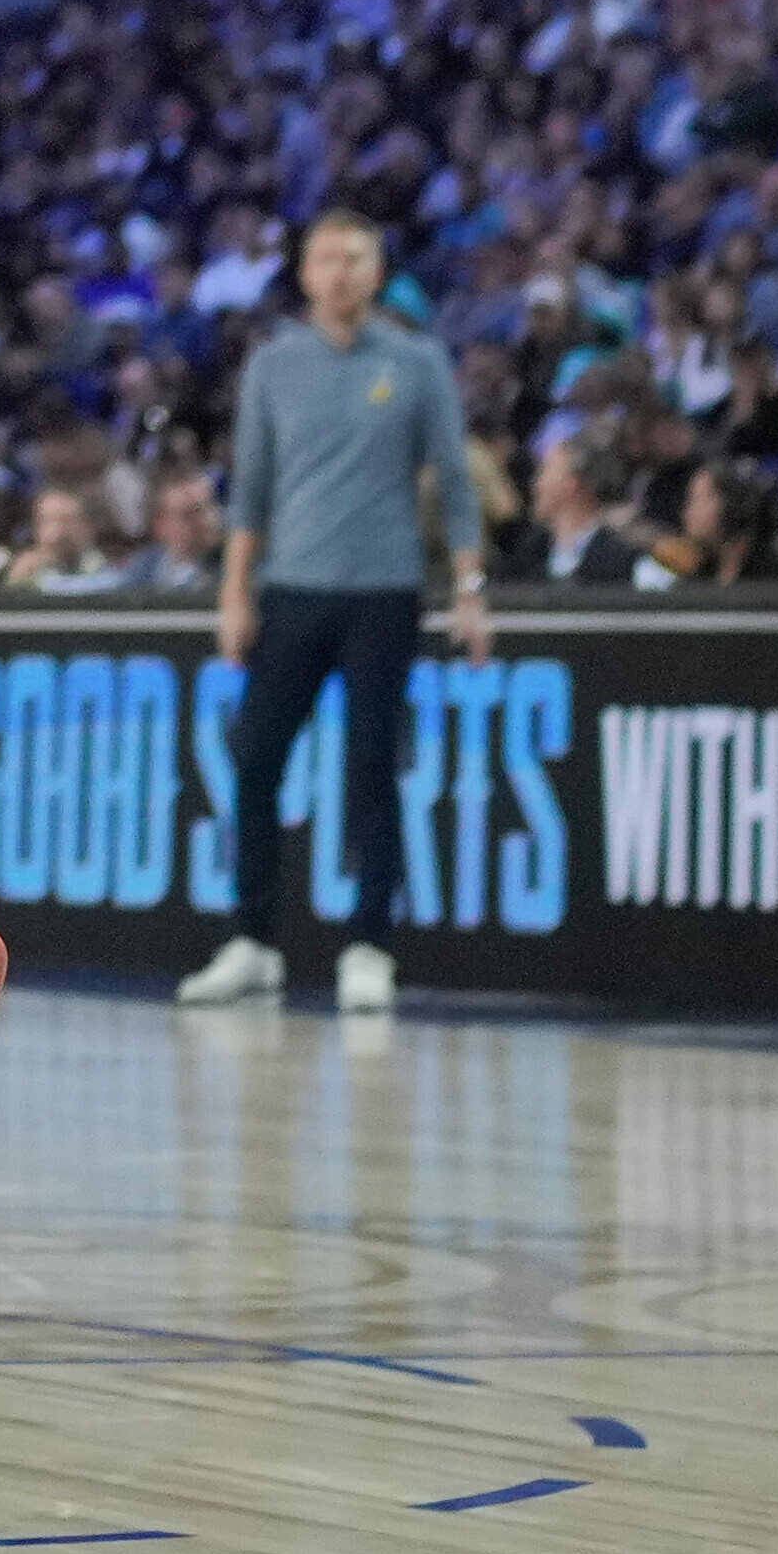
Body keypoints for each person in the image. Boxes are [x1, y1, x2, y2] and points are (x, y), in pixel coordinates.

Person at [179, 214, 504, 1019]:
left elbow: (456, 487)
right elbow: (248, 491)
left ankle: (369, 945)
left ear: (378, 266)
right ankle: (253, 940)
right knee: (253, 757)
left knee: (370, 771)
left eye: (356, 255)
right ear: (303, 269)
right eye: (326, 256)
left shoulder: (417, 360)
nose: (341, 270)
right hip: (290, 587)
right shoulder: (273, 364)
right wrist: (233, 592)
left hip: (383, 590)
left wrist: (468, 590)